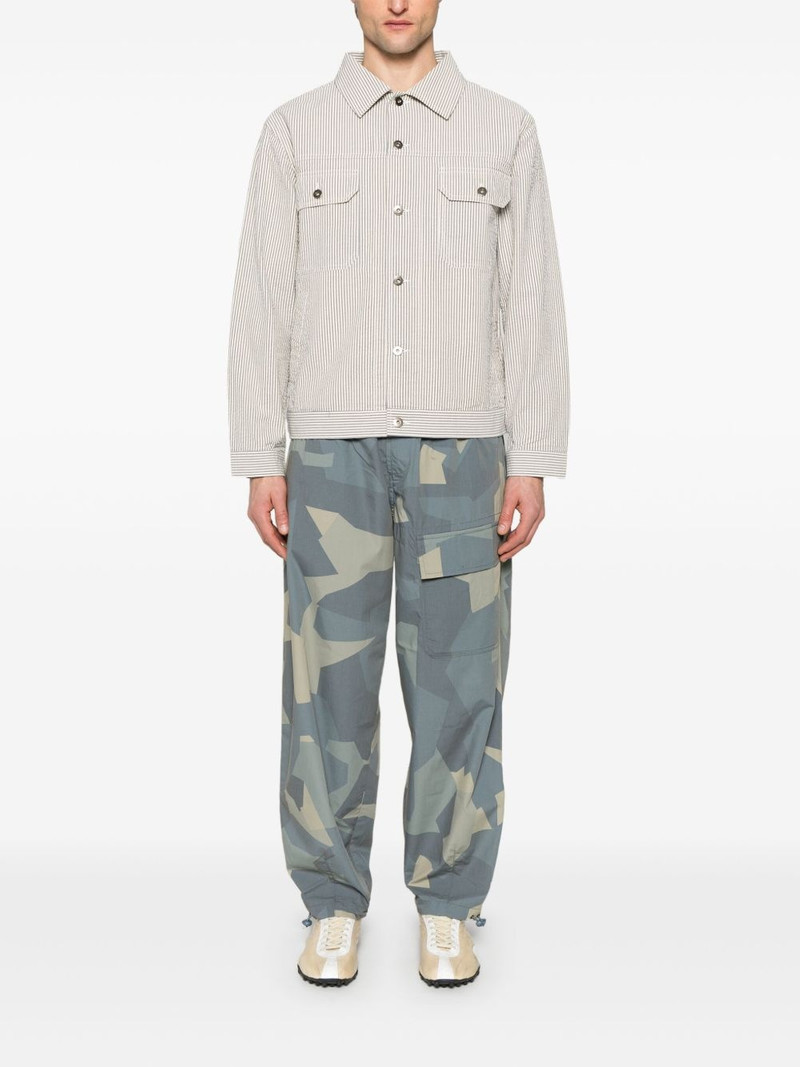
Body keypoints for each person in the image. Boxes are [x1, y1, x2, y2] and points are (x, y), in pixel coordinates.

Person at [227, 0, 570, 988]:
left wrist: (530, 453)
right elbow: (262, 295)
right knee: (323, 691)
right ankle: (332, 900)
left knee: (460, 685)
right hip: (327, 454)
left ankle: (449, 904)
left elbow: (532, 299)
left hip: (464, 451)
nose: (396, 2)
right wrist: (260, 453)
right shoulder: (294, 131)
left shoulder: (504, 130)